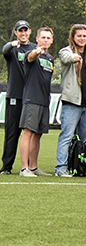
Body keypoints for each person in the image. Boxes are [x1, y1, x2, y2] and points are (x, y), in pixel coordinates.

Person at [55, 24, 86, 177]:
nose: (82, 38)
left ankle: (81, 168)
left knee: (85, 140)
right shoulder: (66, 51)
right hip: (71, 104)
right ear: (73, 37)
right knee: (66, 136)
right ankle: (61, 168)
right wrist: (74, 57)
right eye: (79, 36)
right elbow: (65, 59)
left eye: (84, 36)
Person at [18, 27, 54, 177]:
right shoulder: (32, 53)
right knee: (28, 132)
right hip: (32, 99)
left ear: (52, 41)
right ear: (37, 39)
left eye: (48, 38)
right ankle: (24, 168)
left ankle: (33, 167)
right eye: (43, 37)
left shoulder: (50, 59)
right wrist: (36, 52)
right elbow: (30, 57)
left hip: (44, 100)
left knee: (38, 134)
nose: (45, 40)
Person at [1, 20, 36, 175]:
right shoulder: (13, 48)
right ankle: (6, 167)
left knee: (30, 133)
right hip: (15, 96)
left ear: (30, 32)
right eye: (19, 30)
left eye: (25, 30)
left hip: (31, 97)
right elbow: (5, 50)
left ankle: (28, 166)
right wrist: (12, 44)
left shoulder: (35, 48)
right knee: (12, 133)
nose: (23, 33)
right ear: (15, 32)